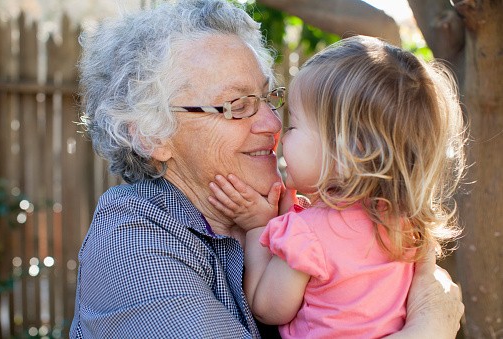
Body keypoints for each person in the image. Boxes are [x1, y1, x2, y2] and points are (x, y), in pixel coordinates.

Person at [70, 1, 464, 338]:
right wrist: (430, 325)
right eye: (237, 105)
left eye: (266, 98)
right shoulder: (130, 243)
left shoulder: (307, 213)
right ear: (151, 135)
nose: (273, 124)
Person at [207, 35, 466, 338]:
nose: (279, 130)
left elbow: (268, 307)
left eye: (293, 126)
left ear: (347, 154)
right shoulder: (403, 225)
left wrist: (255, 227)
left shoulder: (308, 234)